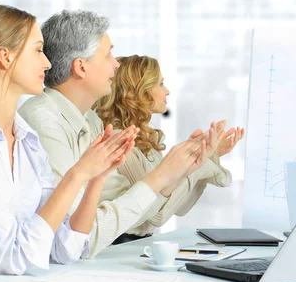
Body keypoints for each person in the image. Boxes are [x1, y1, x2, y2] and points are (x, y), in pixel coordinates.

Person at [0, 4, 184, 282]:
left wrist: (96, 177)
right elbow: (17, 257)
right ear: (5, 57)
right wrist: (78, 174)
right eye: (38, 50)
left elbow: (65, 248)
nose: (47, 62)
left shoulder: (25, 138)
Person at [19, 10, 220, 255]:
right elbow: (77, 238)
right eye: (108, 54)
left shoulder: (89, 120)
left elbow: (124, 208)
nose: (116, 63)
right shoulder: (44, 122)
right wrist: (159, 177)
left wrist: (172, 175)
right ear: (81, 67)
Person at [93, 55, 244, 236]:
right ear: (141, 91)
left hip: (137, 245)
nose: (167, 91)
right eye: (160, 84)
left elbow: (179, 207)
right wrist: (195, 163)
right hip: (120, 248)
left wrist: (206, 155)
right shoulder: (122, 143)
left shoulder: (145, 142)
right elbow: (156, 215)